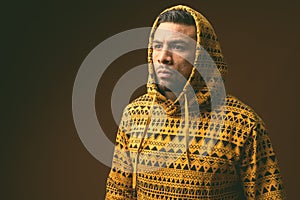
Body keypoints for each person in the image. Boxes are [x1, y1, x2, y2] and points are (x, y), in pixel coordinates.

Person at [105, 5, 286, 199]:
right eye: (158, 46)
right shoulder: (135, 115)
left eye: (178, 47)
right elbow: (118, 194)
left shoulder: (243, 125)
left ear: (203, 57)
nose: (163, 57)